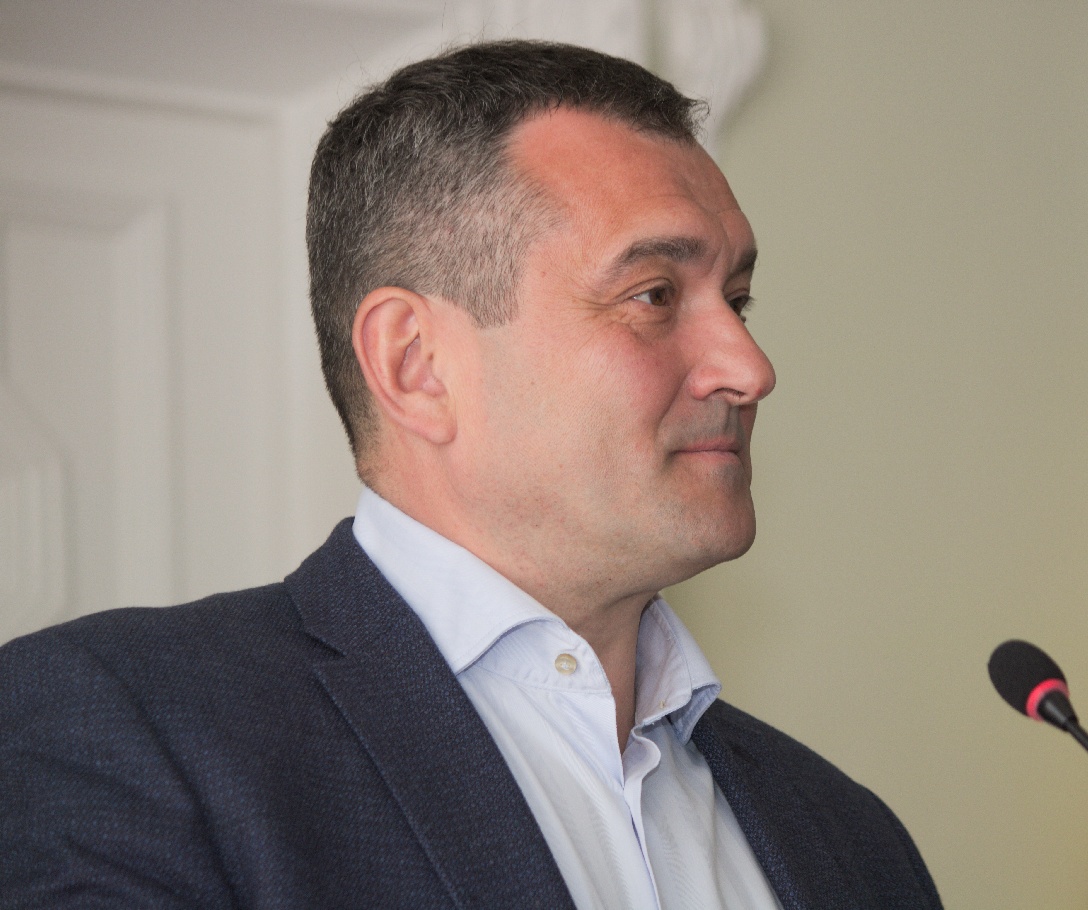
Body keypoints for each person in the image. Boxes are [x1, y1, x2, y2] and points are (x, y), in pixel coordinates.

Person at [0, 41, 942, 909]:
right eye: (654, 295)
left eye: (737, 300)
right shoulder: (126, 733)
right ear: (416, 364)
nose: (748, 367)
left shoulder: (850, 840)